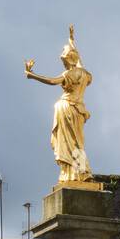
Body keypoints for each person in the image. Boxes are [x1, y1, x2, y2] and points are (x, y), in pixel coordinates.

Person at [25, 25, 94, 184]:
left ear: (67, 60)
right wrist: (72, 41)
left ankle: (73, 174)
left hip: (65, 108)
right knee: (77, 142)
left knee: (69, 143)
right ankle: (81, 173)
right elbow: (80, 61)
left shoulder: (67, 74)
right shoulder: (85, 74)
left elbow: (51, 81)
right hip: (79, 111)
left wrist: (32, 75)